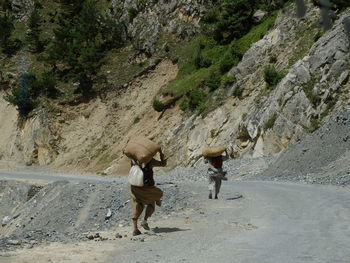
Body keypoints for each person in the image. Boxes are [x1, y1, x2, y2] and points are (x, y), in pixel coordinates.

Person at [130, 150, 167, 236]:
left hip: (135, 187)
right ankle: (145, 221)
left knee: (137, 204)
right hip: (147, 188)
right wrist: (162, 155)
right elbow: (163, 164)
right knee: (152, 203)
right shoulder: (150, 161)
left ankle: (135, 228)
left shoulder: (134, 160)